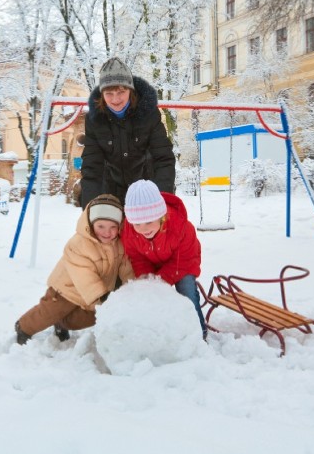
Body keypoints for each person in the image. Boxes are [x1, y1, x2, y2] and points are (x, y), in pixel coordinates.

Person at [15, 194, 135, 345]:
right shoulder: (79, 244)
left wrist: (131, 288)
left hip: (91, 294)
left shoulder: (119, 244)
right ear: (91, 224)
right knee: (47, 314)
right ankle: (24, 327)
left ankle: (61, 323)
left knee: (90, 317)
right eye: (101, 226)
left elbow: (126, 267)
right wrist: (103, 296)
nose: (107, 232)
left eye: (113, 227)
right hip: (66, 290)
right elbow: (84, 274)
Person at [79, 57, 176, 208]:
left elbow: (163, 159)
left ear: (130, 91)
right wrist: (91, 209)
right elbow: (92, 167)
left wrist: (162, 199)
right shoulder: (94, 120)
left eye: (121, 92)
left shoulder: (148, 114)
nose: (115, 99)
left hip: (146, 193)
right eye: (109, 93)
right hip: (111, 195)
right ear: (102, 94)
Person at [121, 179, 207, 339]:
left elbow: (183, 260)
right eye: (137, 224)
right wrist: (149, 280)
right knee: (148, 293)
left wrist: (161, 281)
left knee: (186, 290)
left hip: (182, 264)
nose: (143, 229)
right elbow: (137, 259)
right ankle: (157, 332)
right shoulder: (129, 231)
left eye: (148, 222)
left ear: (161, 216)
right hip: (151, 261)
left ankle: (198, 332)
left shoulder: (181, 227)